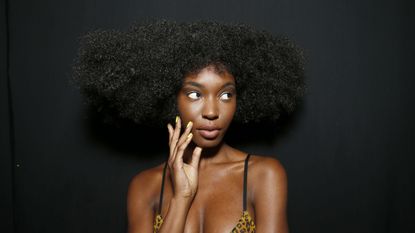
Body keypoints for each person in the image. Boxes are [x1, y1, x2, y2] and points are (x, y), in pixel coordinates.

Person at [72, 19, 305, 233]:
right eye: (195, 94)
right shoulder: (145, 186)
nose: (212, 112)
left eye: (226, 95)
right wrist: (181, 198)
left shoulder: (263, 175)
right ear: (169, 98)